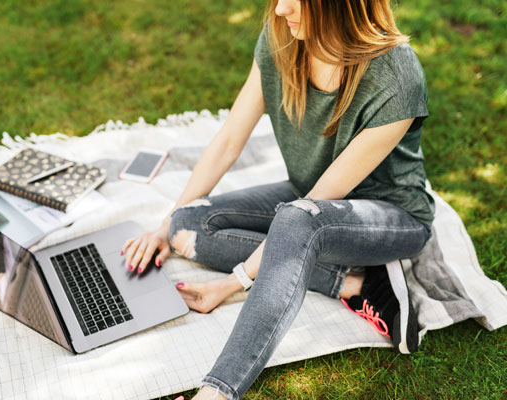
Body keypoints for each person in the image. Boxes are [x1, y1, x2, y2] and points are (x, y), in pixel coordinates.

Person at [122, 0, 435, 398]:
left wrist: (233, 283)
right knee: (188, 224)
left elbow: (316, 205)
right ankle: (355, 283)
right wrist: (164, 225)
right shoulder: (282, 35)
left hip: (391, 216)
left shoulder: (396, 73)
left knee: (297, 220)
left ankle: (218, 390)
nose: (282, 8)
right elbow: (230, 139)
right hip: (307, 195)